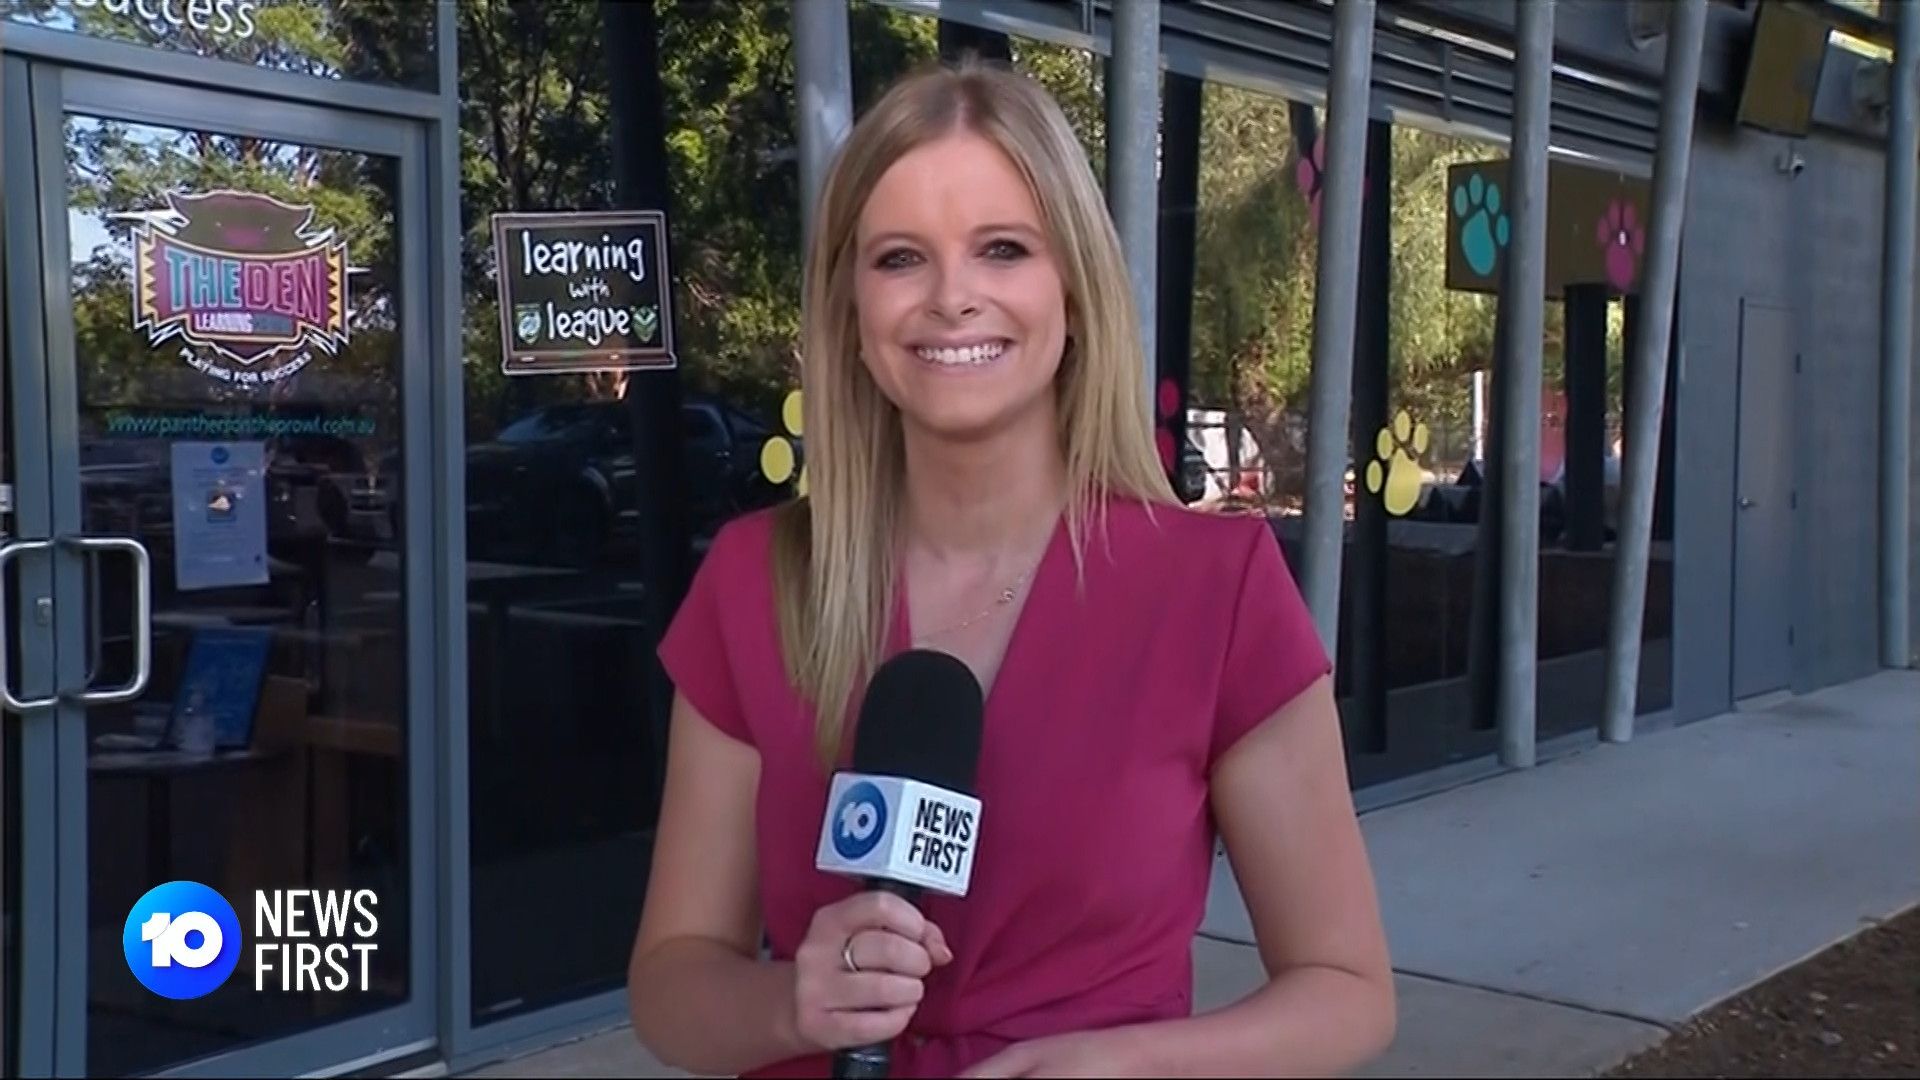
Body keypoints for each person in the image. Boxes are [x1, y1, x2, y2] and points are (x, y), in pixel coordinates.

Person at [627, 57, 1395, 1079]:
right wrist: (792, 1005)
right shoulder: (754, 582)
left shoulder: (1216, 591)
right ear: (850, 309)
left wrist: (1132, 1066)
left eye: (1003, 249)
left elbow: (1346, 990)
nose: (953, 298)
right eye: (901, 258)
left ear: (1071, 289)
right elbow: (672, 985)